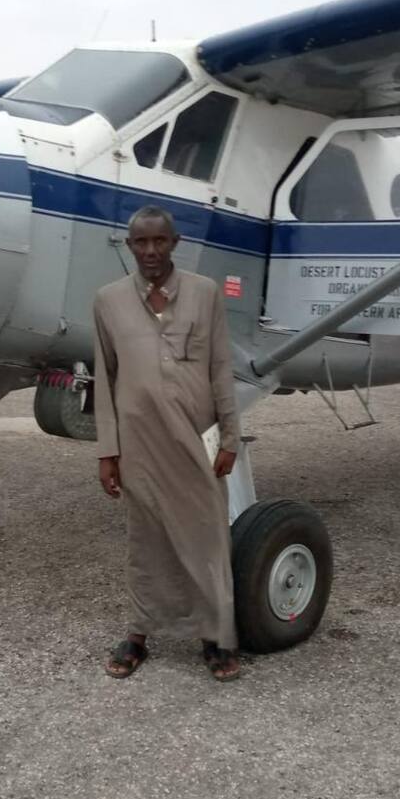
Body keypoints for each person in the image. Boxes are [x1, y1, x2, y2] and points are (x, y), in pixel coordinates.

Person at [93, 206, 241, 681]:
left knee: (208, 538)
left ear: (175, 242)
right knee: (147, 540)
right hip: (139, 444)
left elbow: (221, 367)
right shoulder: (108, 300)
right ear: (129, 245)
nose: (151, 251)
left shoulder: (205, 294)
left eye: (160, 241)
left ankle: (215, 636)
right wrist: (107, 451)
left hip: (196, 441)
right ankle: (139, 633)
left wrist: (231, 437)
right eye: (141, 242)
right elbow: (105, 378)